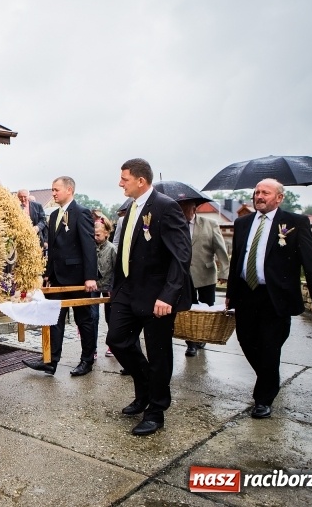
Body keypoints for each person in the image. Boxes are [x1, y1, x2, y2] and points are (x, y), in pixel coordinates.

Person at [226, 178, 312, 419]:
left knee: (270, 346)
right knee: (246, 341)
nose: (259, 196)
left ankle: (263, 399)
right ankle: (269, 377)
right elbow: (237, 261)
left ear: (279, 198)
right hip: (246, 294)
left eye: (265, 192)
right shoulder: (242, 223)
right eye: (257, 192)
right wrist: (231, 293)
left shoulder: (295, 223)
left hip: (276, 297)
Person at [106, 158, 191, 436]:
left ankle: (155, 411)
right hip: (127, 290)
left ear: (141, 181)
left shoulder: (166, 207)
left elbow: (181, 255)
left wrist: (168, 295)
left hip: (157, 296)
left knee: (159, 354)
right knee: (117, 339)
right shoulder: (131, 208)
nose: (120, 183)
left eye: (125, 179)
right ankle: (144, 387)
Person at [22, 176, 98, 376]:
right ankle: (50, 361)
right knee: (54, 319)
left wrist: (90, 276)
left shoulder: (81, 213)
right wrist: (48, 274)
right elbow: (53, 248)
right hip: (57, 278)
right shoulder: (54, 215)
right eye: (52, 190)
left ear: (69, 190)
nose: (53, 193)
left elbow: (88, 246)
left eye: (56, 190)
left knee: (84, 320)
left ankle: (87, 360)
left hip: (78, 278)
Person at [178, 198, 230, 357]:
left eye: (185, 209)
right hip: (184, 275)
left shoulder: (210, 224)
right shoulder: (175, 224)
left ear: (194, 209)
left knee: (206, 307)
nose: (182, 212)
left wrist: (224, 273)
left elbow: (220, 250)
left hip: (206, 274)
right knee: (188, 309)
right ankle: (191, 344)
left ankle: (201, 338)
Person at [94, 217, 116, 359]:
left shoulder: (112, 249)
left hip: (109, 287)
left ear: (106, 233)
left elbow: (116, 269)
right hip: (94, 286)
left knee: (111, 317)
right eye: (94, 235)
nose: (95, 237)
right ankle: (92, 347)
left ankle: (112, 345)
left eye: (98, 235)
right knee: (92, 317)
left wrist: (113, 287)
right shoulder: (92, 248)